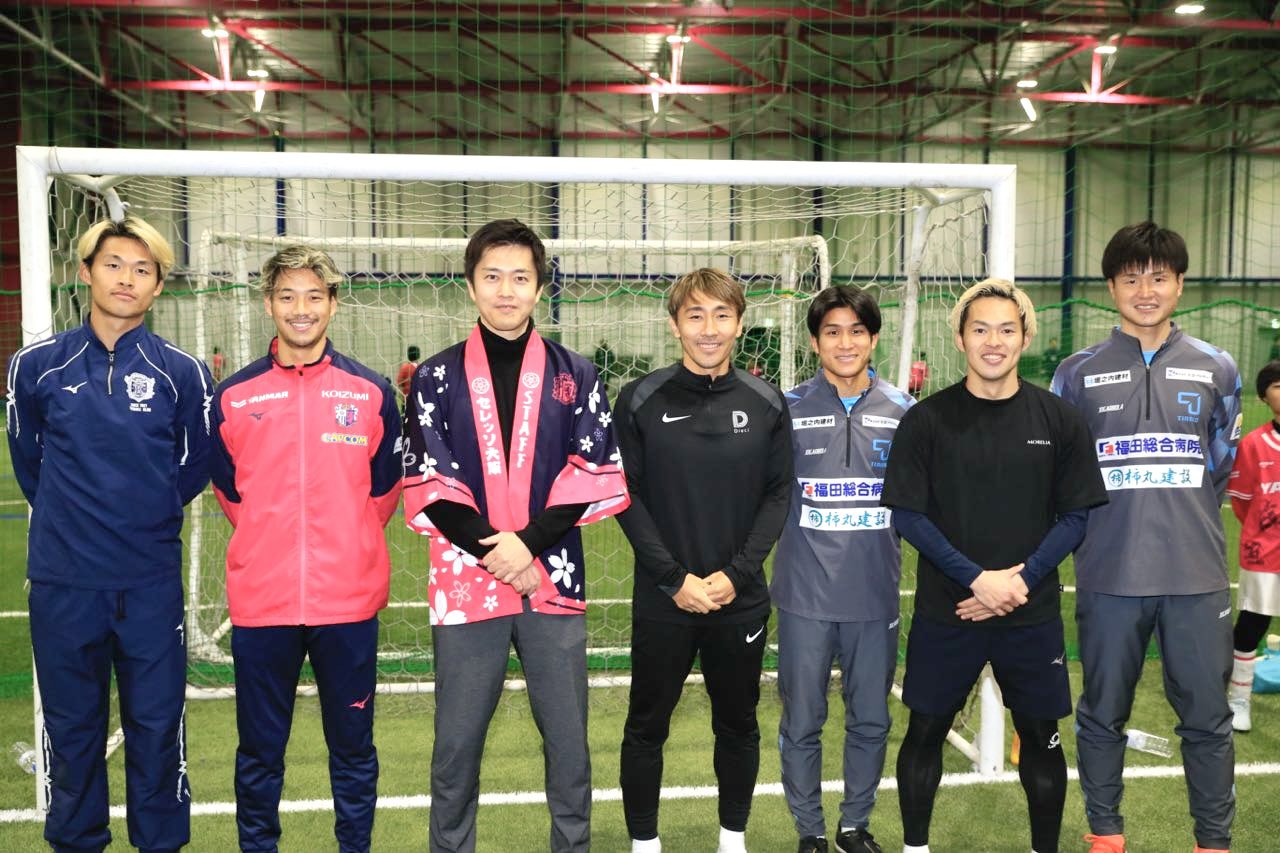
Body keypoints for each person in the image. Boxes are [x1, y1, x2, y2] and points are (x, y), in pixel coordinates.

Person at [402, 218, 629, 853]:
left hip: (550, 576)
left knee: (569, 743)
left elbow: (590, 470)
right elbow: (429, 480)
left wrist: (527, 545)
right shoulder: (434, 377)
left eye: (520, 278)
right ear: (470, 285)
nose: (507, 290)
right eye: (493, 276)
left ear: (539, 288)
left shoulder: (576, 373)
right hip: (465, 581)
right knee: (456, 747)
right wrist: (502, 554)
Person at [7, 215, 213, 852]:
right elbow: (28, 461)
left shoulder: (183, 373)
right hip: (65, 584)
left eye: (142, 269)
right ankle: (76, 841)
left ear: (158, 287)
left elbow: (194, 465)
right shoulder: (35, 366)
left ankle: (160, 843)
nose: (127, 278)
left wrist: (143, 516)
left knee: (157, 727)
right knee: (72, 729)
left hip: (149, 582)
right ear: (86, 272)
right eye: (114, 264)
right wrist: (75, 522)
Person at [882, 278, 1107, 853]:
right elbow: (908, 516)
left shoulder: (1059, 420)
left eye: (1007, 330)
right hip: (949, 610)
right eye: (980, 329)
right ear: (960, 338)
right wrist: (979, 580)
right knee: (925, 730)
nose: (993, 341)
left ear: (1025, 338)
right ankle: (915, 847)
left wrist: (1019, 581)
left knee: (1041, 735)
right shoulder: (925, 421)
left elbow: (1076, 517)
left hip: (1029, 614)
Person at [1051, 222, 1241, 853]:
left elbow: (1219, 467)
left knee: (1207, 719)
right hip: (1109, 575)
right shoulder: (1076, 373)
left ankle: (1213, 841)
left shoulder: (1218, 366)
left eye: (1159, 277)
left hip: (1196, 576)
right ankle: (1106, 834)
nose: (1146, 290)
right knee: (1102, 713)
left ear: (1180, 284)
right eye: (1131, 278)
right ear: (1110, 287)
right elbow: (1063, 476)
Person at [209, 246, 402, 852]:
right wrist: (271, 544)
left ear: (333, 304)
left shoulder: (371, 393)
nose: (301, 308)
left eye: (315, 296)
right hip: (262, 605)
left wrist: (343, 544)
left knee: (353, 749)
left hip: (347, 604)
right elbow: (230, 493)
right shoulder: (233, 396)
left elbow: (383, 493)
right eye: (287, 296)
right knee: (259, 752)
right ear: (268, 304)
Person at [614, 268, 793, 853]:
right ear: (675, 325)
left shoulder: (767, 402)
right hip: (664, 599)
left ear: (739, 324)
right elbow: (623, 494)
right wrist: (673, 579)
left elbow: (778, 494)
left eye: (721, 315)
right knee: (647, 725)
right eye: (695, 315)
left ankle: (732, 839)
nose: (709, 328)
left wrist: (736, 576)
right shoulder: (639, 399)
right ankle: (645, 843)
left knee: (737, 723)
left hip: (738, 600)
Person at [772, 286, 914, 853]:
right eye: (832, 331)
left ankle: (854, 824)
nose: (845, 342)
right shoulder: (784, 409)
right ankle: (809, 830)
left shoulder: (905, 411)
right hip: (803, 597)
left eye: (857, 331)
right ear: (815, 342)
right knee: (802, 721)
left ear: (874, 339)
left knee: (871, 720)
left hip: (874, 596)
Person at [1225, 360, 1280, 732]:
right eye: (1277, 385)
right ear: (1263, 397)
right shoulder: (1254, 444)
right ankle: (1238, 698)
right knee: (1252, 624)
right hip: (1265, 552)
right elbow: (1243, 504)